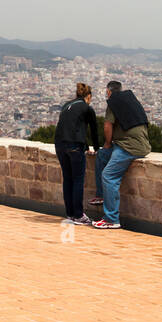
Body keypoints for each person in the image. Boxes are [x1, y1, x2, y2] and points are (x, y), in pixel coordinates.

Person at [90, 79, 150, 230]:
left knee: (109, 176)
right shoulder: (131, 100)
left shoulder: (113, 102)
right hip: (140, 143)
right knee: (102, 155)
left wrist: (108, 143)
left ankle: (111, 219)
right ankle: (101, 195)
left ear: (109, 92)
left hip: (128, 146)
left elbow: (107, 125)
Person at [53, 82, 99, 225]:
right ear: (88, 96)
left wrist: (84, 144)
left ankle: (70, 214)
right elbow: (93, 130)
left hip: (59, 145)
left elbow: (72, 126)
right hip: (74, 146)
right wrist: (96, 148)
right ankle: (79, 215)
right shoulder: (87, 108)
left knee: (68, 179)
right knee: (78, 179)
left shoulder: (66, 105)